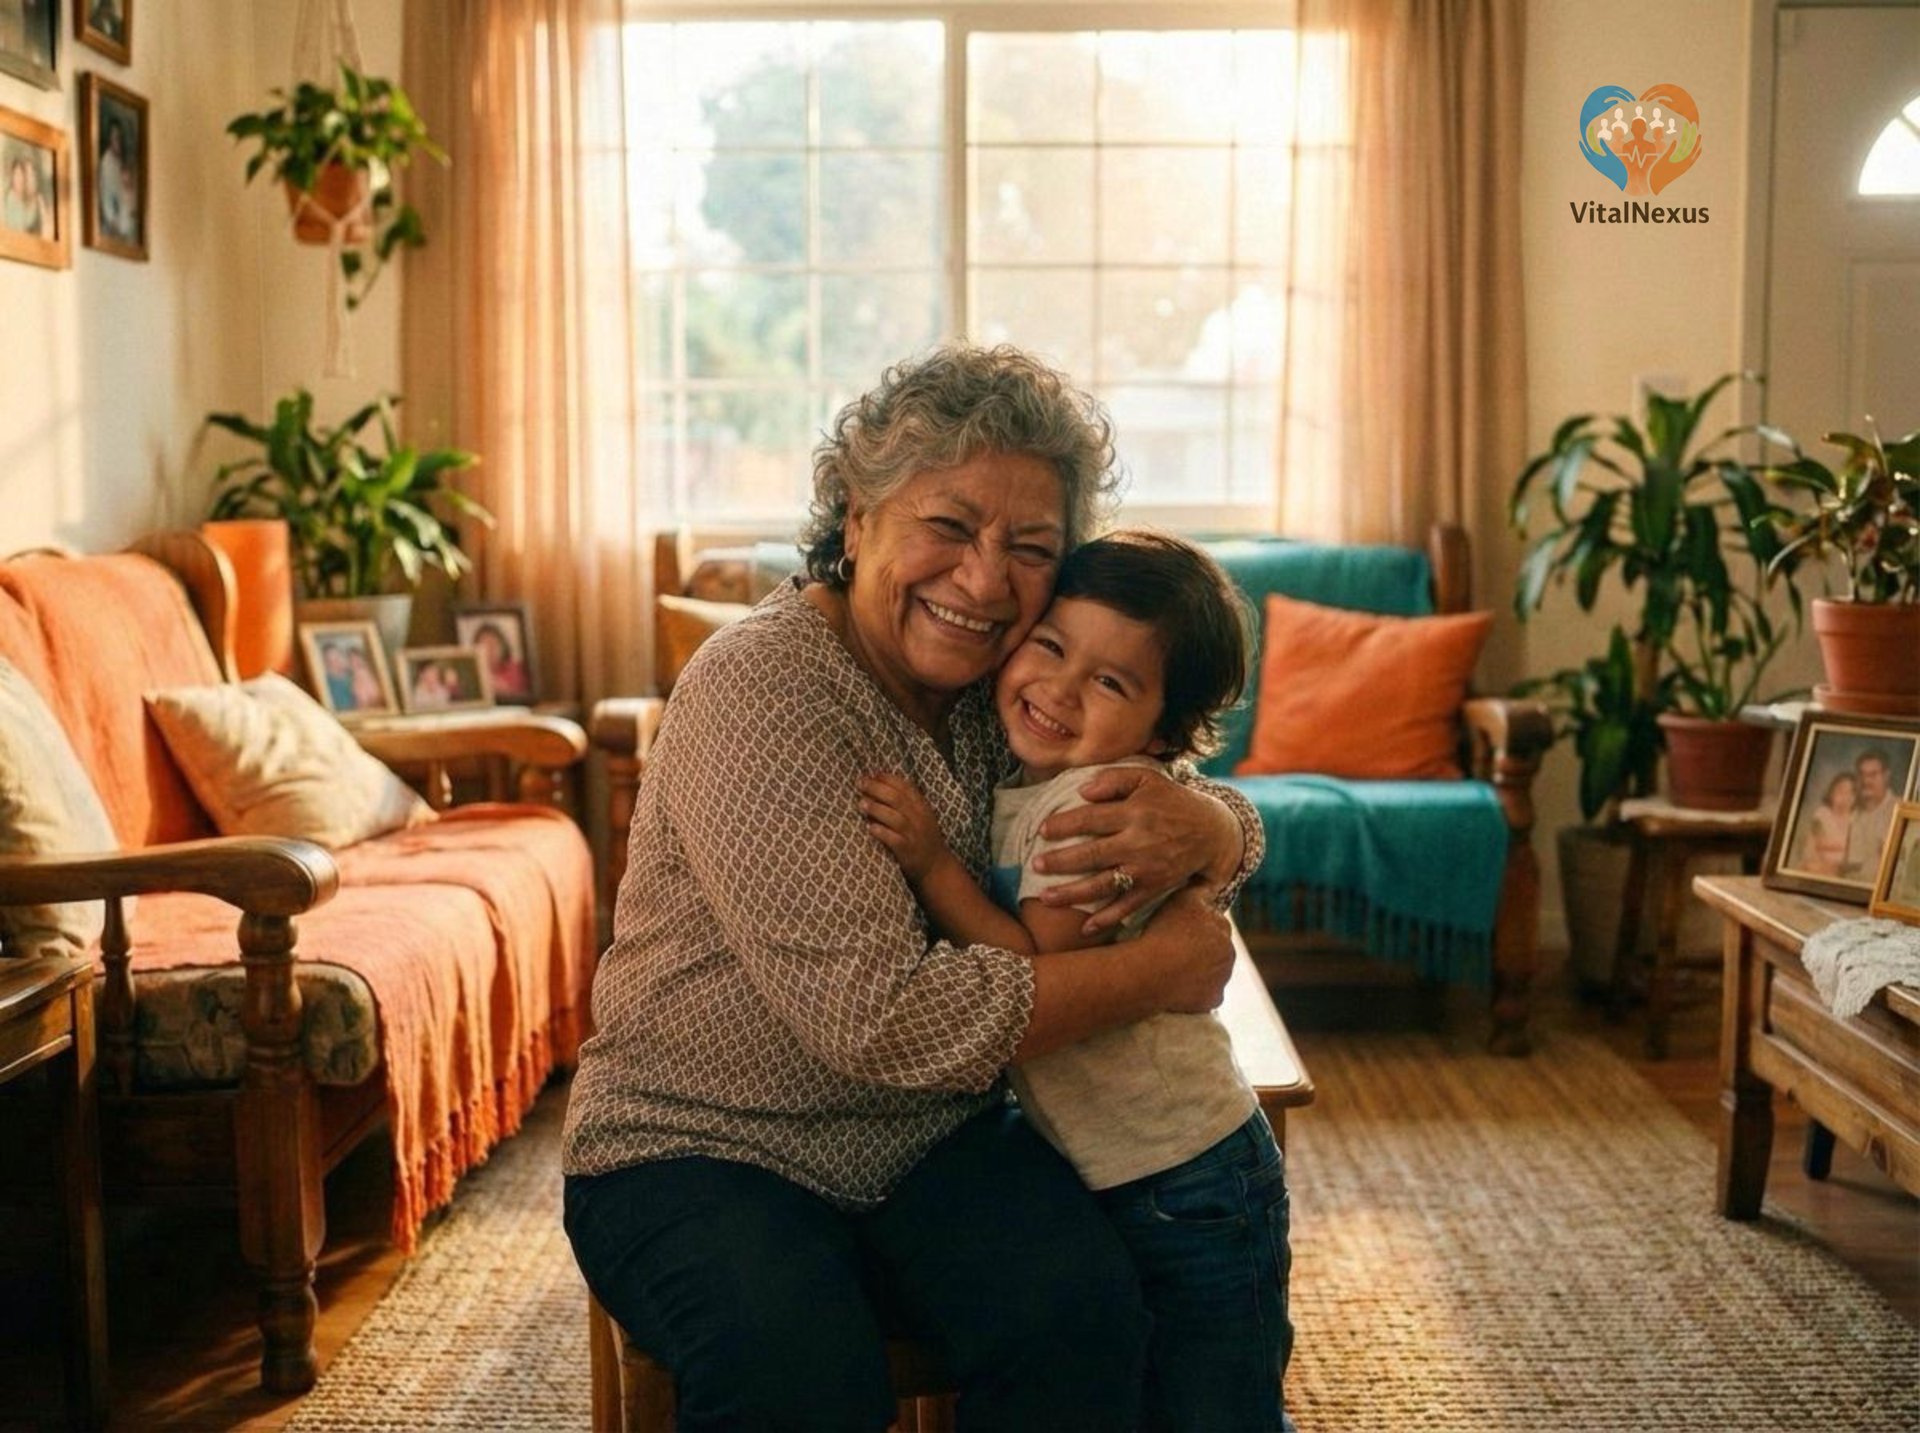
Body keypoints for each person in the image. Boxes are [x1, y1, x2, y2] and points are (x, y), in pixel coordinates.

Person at [562, 346, 1264, 1432]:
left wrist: (1218, 826)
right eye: (949, 526)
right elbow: (882, 1018)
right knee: (800, 1373)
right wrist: (1153, 971)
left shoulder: (1005, 685)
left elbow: (1155, 792)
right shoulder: (764, 690)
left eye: (1029, 548)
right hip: (696, 1142)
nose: (984, 580)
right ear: (855, 516)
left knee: (1087, 1315)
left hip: (921, 1139)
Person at [861, 530, 1292, 1433]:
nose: (1058, 689)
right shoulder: (1035, 775)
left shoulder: (1092, 811)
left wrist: (934, 864)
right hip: (1122, 1164)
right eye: (1052, 646)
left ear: (1163, 733)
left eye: (1110, 682)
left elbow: (1027, 967)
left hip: (1187, 1176)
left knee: (1219, 1402)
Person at [1843, 748, 1900, 879]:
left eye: (1873, 775)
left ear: (1886, 775)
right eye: (1862, 775)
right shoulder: (1851, 811)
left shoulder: (1900, 811)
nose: (1866, 781)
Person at [1798, 771, 1858, 877]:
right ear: (1831, 793)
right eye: (1840, 791)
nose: (1845, 796)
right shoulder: (1822, 814)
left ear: (1855, 797)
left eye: (1850, 792)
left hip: (1841, 870)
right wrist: (1843, 846)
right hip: (1817, 863)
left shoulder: (1855, 819)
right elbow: (1818, 843)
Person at [96, 117, 135, 244]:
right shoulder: (106, 163)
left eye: (120, 138)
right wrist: (113, 222)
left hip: (125, 219)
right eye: (115, 138)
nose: (118, 142)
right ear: (110, 139)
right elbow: (106, 196)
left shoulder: (122, 161)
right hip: (114, 225)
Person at [470, 621, 529, 698]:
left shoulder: (517, 669)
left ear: (503, 646)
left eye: (492, 645)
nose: (489, 651)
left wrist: (505, 690)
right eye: (484, 646)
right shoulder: (472, 673)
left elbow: (525, 697)